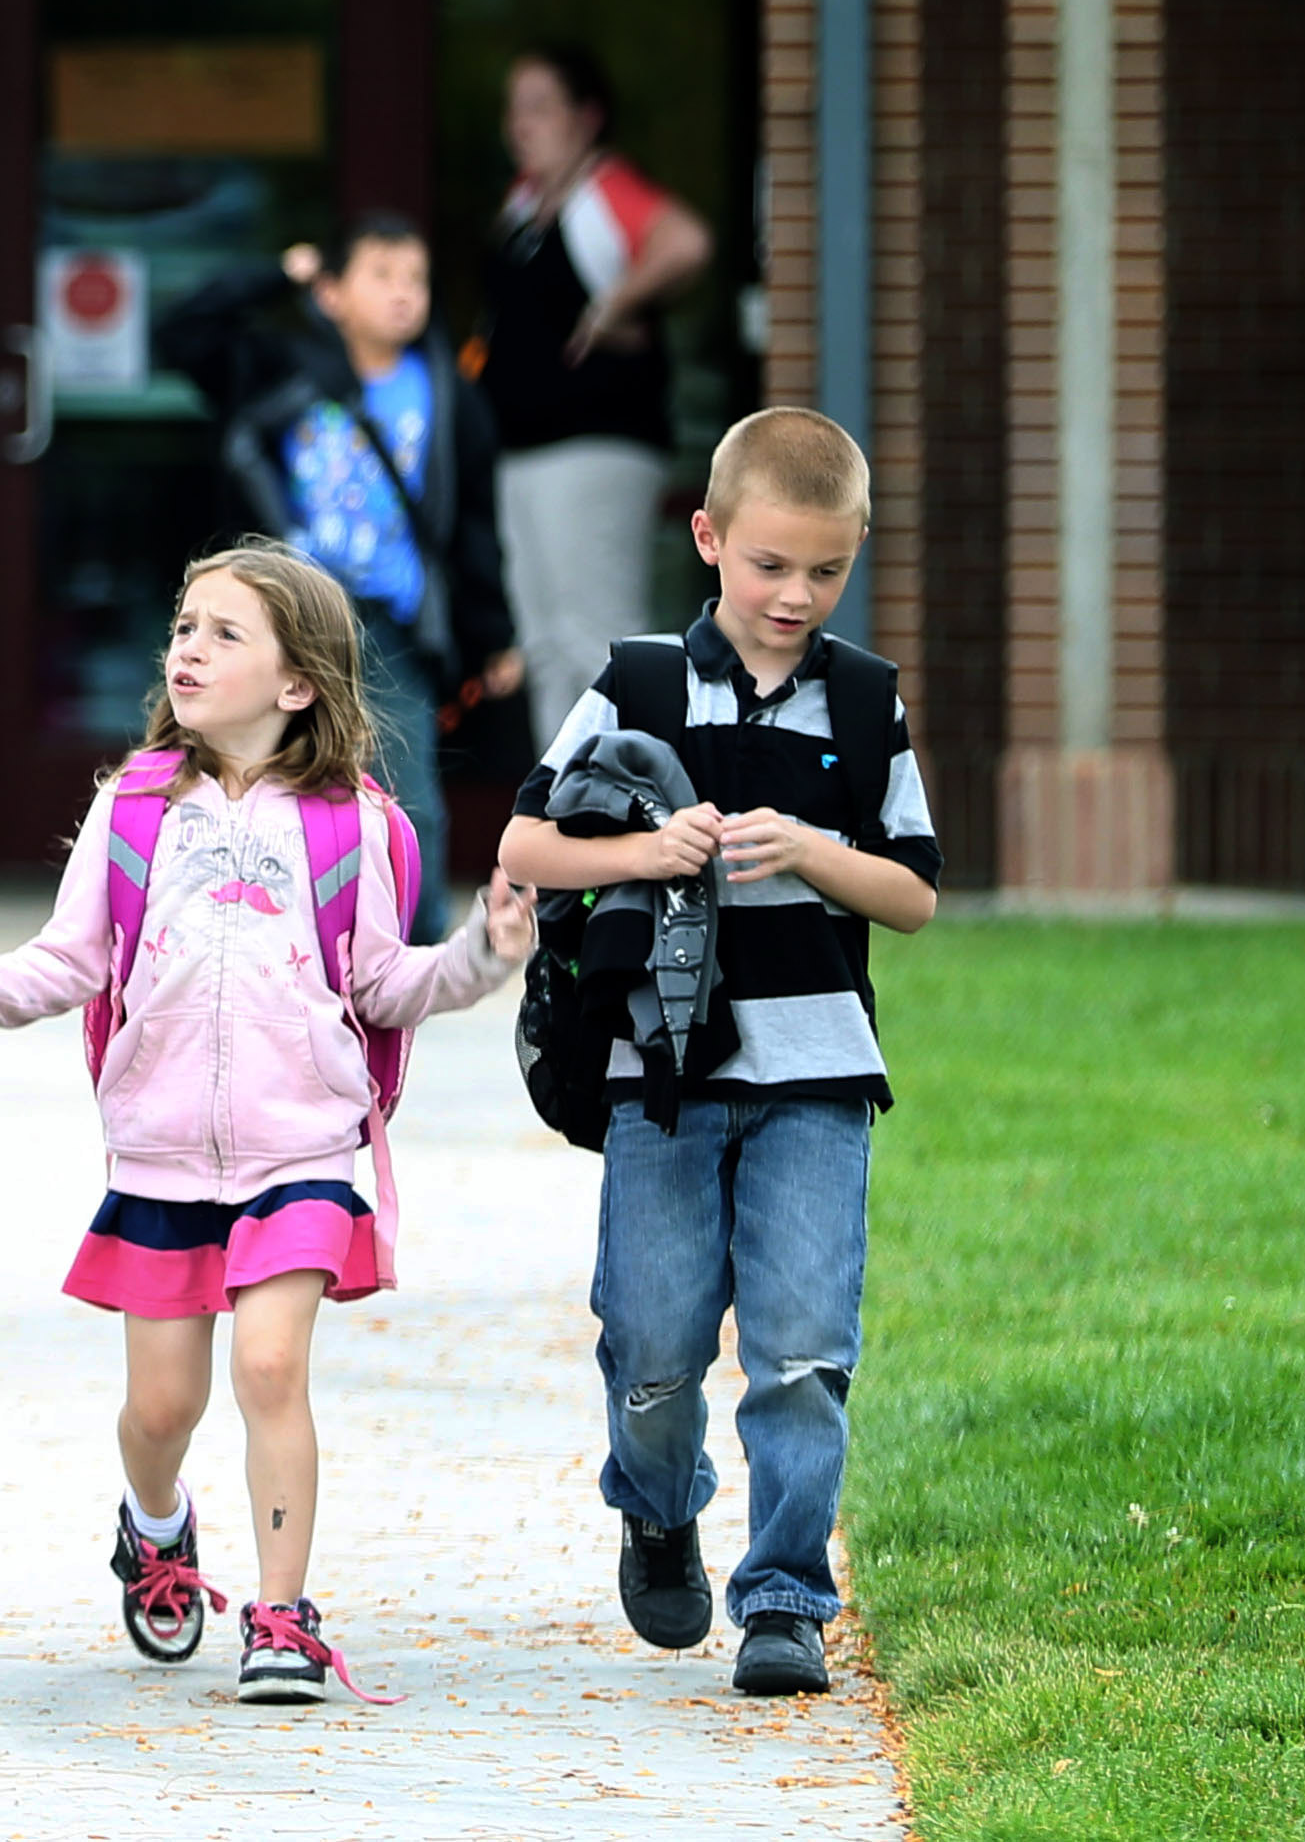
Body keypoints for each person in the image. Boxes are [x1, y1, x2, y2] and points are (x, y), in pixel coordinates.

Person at [0, 542, 534, 1711]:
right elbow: (69, 958)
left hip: (300, 1149)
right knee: (158, 1408)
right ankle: (153, 1525)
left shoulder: (354, 825)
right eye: (182, 625)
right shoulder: (134, 804)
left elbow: (385, 985)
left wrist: (482, 957)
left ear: (297, 681)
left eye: (223, 632)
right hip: (159, 1151)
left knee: (268, 1361)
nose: (186, 646)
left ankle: (282, 1614)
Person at [496, 407, 935, 1703]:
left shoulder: (865, 697)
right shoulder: (636, 682)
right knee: (651, 1339)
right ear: (708, 538)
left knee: (802, 1344)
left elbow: (911, 892)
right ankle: (658, 1501)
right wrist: (648, 851)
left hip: (817, 1076)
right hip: (665, 1073)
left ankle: (788, 1590)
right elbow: (526, 847)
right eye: (768, 565)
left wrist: (806, 848)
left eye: (825, 570)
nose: (795, 595)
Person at [208, 217, 518, 946]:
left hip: (391, 619)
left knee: (405, 789)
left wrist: (494, 631)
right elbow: (188, 331)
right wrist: (280, 275)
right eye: (381, 274)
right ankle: (255, 936)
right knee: (261, 773)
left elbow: (473, 521)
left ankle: (411, 948)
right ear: (333, 292)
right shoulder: (285, 368)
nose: (403, 294)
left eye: (415, 278)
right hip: (286, 617)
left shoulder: (446, 390)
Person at [486, 45, 714, 746]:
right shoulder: (522, 203)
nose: (521, 123)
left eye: (540, 105)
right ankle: (566, 819)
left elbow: (686, 242)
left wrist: (617, 303)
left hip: (593, 451)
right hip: (523, 453)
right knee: (547, 646)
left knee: (598, 643)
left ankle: (634, 823)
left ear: (587, 117)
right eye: (514, 106)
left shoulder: (602, 191)